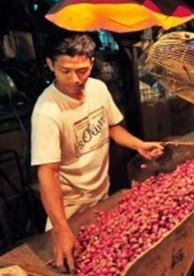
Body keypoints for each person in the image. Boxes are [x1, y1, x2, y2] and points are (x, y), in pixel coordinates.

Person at [31, 33, 164, 273]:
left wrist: (138, 145)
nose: (75, 79)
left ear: (91, 62)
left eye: (82, 70)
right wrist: (61, 230)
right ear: (50, 65)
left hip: (101, 198)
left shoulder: (98, 89)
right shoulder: (47, 112)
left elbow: (112, 127)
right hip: (68, 210)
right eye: (65, 71)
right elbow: (47, 172)